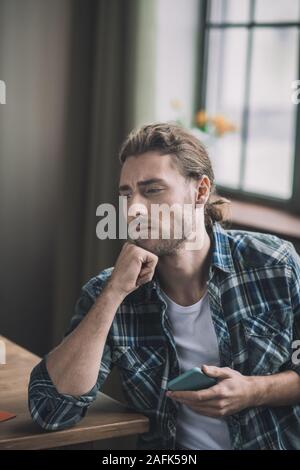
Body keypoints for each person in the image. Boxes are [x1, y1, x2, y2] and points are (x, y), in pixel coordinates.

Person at [28, 122, 300, 450]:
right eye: (127, 194)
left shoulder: (274, 265)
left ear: (200, 191)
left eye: (153, 190)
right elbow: (51, 410)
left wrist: (253, 391)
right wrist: (114, 293)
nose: (134, 209)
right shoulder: (112, 292)